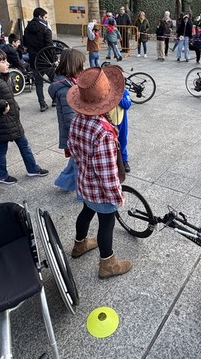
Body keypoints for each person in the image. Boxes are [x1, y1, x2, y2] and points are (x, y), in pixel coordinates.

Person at [66, 65, 132, 279]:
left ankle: (79, 244)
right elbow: (107, 173)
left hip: (85, 182)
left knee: (86, 212)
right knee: (107, 223)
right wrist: (117, 195)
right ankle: (107, 264)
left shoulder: (77, 119)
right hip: (101, 188)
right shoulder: (102, 130)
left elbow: (72, 149)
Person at [0, 48, 48, 184]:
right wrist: (3, 104)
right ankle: (0, 175)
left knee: (24, 145)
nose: (7, 64)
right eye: (3, 62)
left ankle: (32, 168)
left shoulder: (0, 77)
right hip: (1, 122)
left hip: (11, 120)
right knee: (1, 150)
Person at [49, 48, 85, 192]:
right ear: (72, 67)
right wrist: (80, 136)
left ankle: (63, 182)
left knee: (75, 162)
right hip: (74, 135)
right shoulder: (65, 90)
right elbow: (70, 118)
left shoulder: (70, 83)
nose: (83, 69)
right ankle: (83, 194)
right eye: (80, 66)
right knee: (79, 166)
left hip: (75, 133)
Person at [24, 7, 52, 111]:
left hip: (34, 60)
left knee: (39, 84)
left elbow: (25, 44)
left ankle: (42, 104)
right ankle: (55, 99)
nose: (46, 19)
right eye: (45, 17)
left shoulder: (27, 29)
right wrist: (54, 59)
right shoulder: (45, 29)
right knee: (54, 79)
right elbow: (49, 47)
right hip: (45, 60)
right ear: (40, 16)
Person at [108, 86, 131, 173]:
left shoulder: (124, 91)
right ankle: (111, 161)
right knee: (110, 142)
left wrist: (118, 97)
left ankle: (124, 160)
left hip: (121, 122)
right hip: (109, 122)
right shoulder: (105, 91)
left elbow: (127, 105)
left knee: (123, 140)